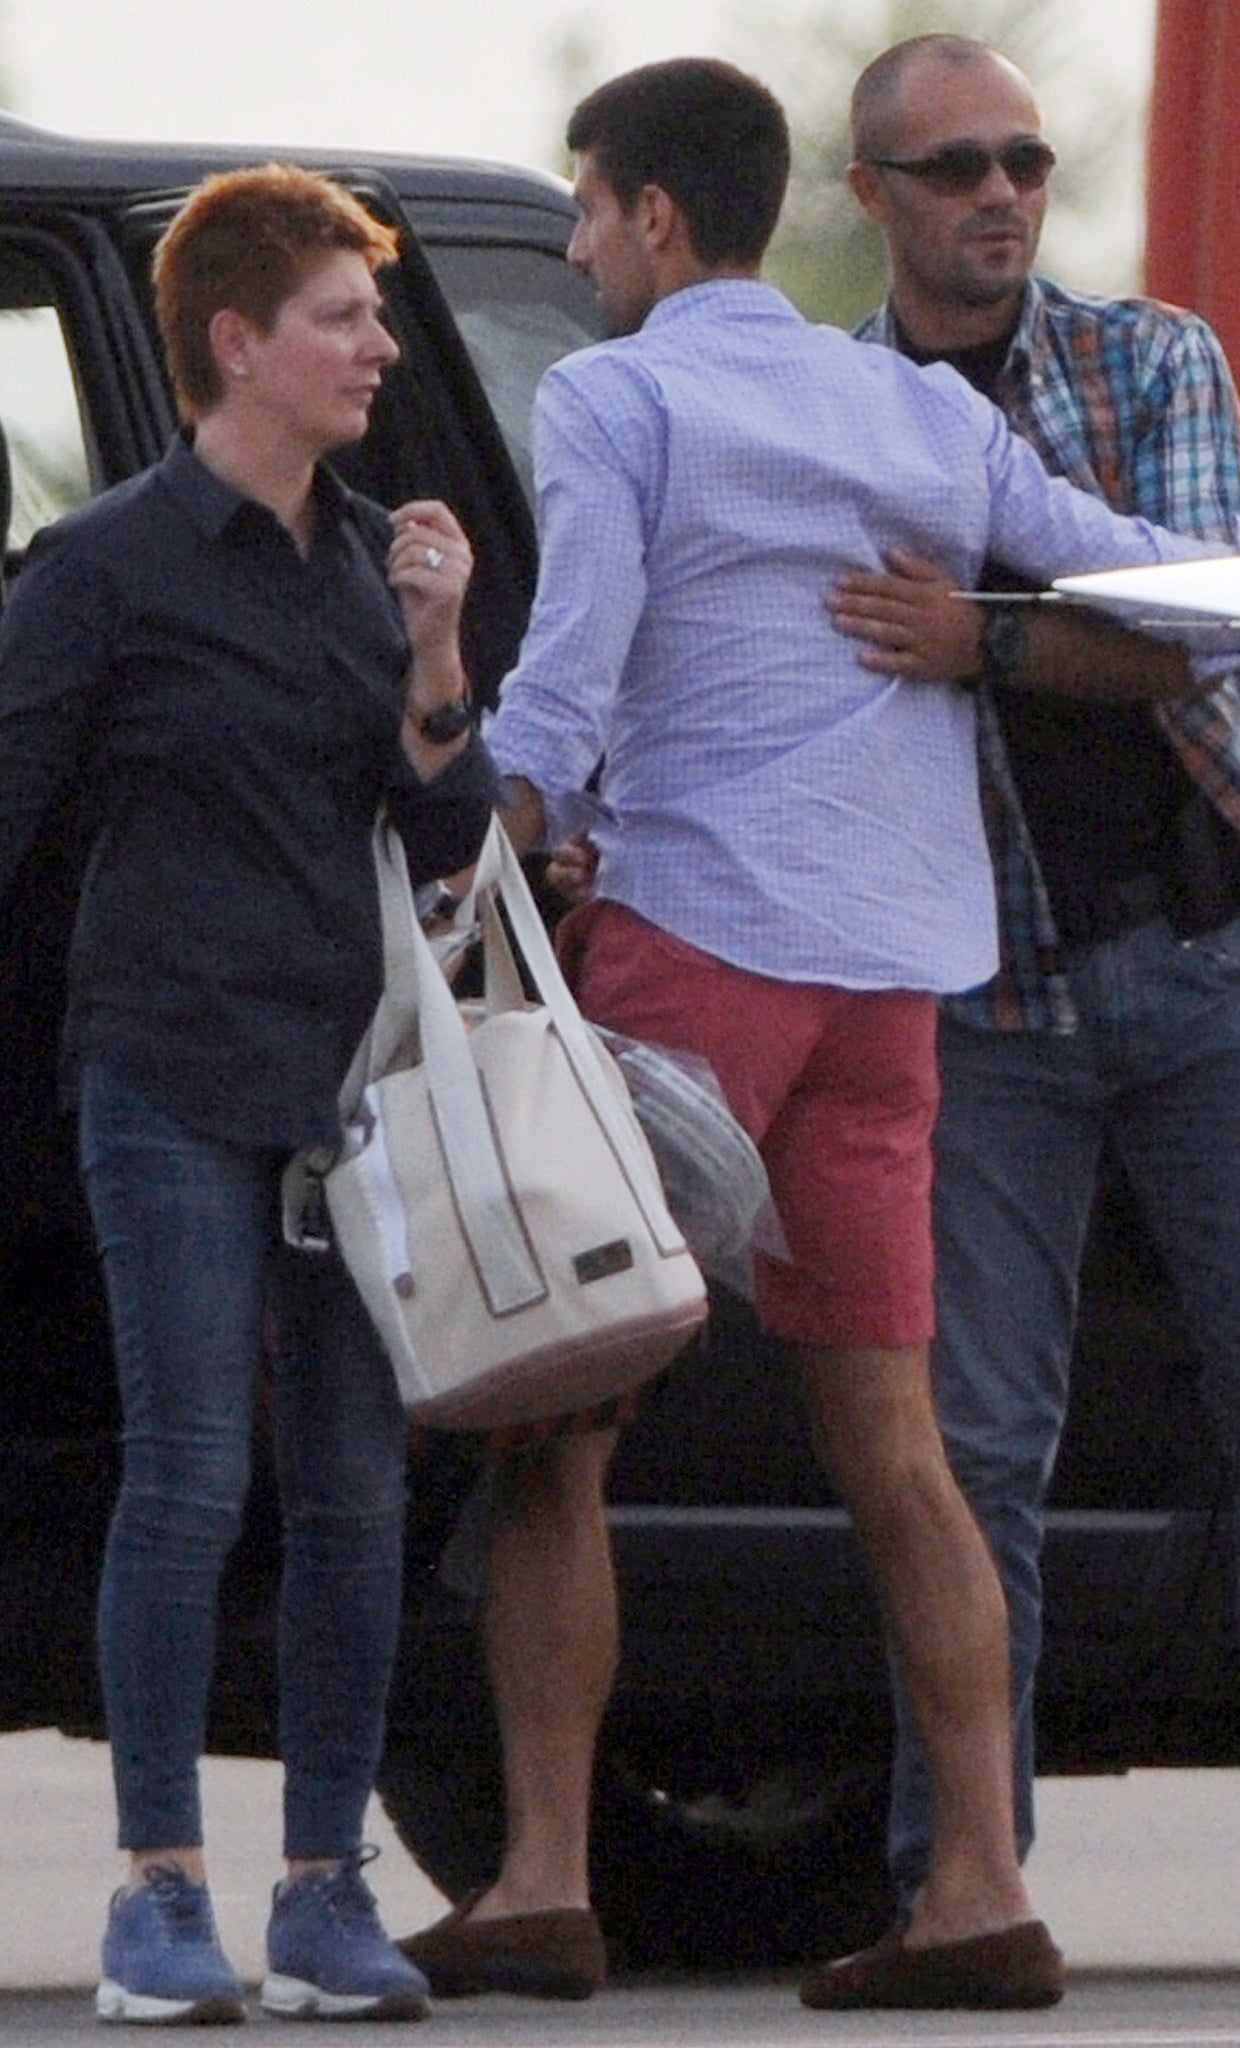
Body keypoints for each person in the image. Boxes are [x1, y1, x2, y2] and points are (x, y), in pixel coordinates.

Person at [398, 56, 1240, 2015]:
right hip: (892, 985)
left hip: (702, 949)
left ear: (655, 218)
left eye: (589, 213)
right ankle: (975, 1887)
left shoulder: (621, 393)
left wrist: (461, 859)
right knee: (900, 1444)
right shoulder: (911, 407)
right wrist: (1135, 622)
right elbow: (1165, 594)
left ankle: (540, 1876)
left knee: (554, 1421)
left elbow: (576, 672)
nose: (581, 246)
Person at [824, 33, 1240, 1996]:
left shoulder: (1149, 364)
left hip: (1216, 963)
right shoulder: (839, 417)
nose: (1000, 192)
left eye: (1023, 156)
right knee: (981, 1446)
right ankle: (961, 1873)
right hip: (984, 996)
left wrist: (985, 639)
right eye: (954, 165)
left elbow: (1209, 619)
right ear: (876, 197)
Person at [0, 164, 502, 2024]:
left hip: (346, 1090)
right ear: (235, 341)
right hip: (166, 1072)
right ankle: (153, 1897)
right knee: (192, 1475)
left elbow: (444, 835)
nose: (379, 344)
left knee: (361, 1500)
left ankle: (320, 1891)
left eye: (371, 314)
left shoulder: (373, 557)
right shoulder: (104, 566)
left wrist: (441, 654)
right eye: (343, 316)